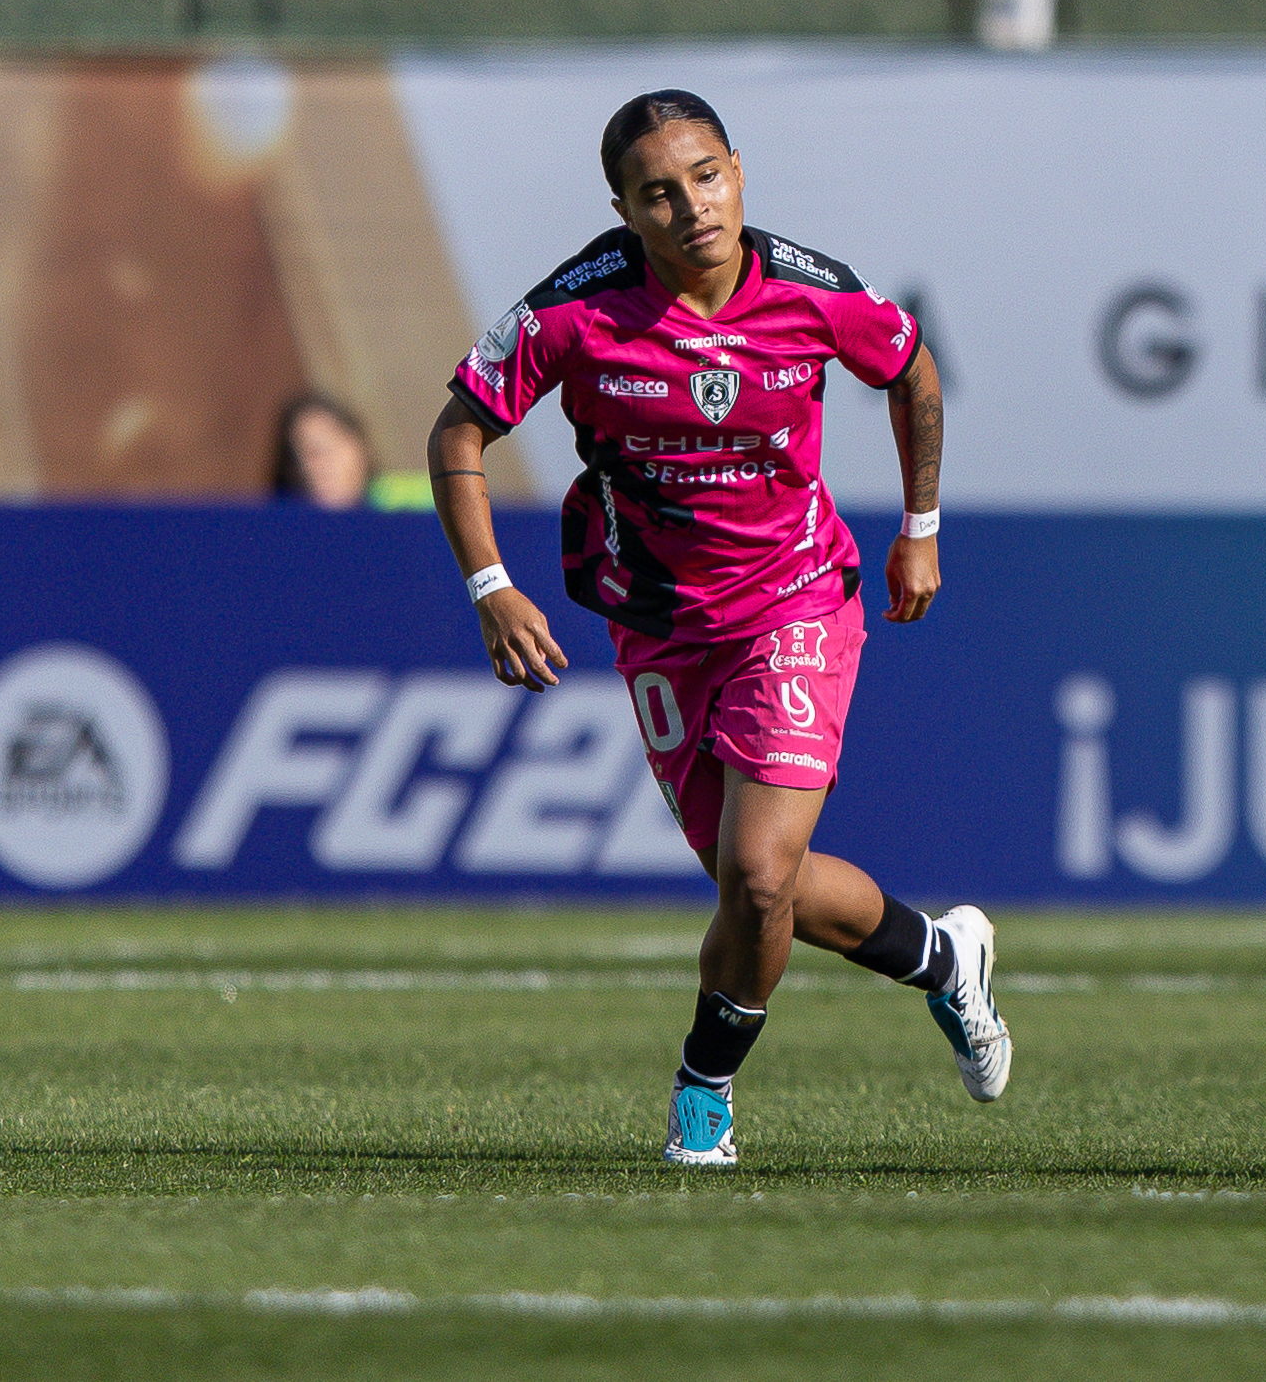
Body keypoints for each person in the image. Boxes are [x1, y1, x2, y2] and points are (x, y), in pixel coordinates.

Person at [425, 89, 1009, 1167]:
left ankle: (705, 1090)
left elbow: (912, 368)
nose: (691, 205)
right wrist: (491, 586)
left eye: (705, 176)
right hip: (659, 623)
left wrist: (920, 527)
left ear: (738, 169)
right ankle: (942, 955)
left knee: (757, 871)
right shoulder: (573, 313)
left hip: (796, 597)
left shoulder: (810, 291)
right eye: (658, 192)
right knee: (755, 887)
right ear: (623, 210)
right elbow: (457, 429)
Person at [270, 393, 373, 509]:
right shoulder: (280, 516)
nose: (325, 458)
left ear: (363, 447)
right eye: (309, 450)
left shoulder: (387, 508)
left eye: (333, 439)